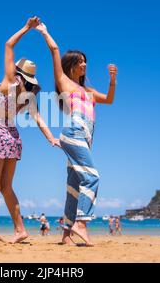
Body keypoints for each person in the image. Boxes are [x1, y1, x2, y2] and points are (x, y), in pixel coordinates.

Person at [37, 22, 117, 246]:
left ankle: (65, 236)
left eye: (85, 61)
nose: (84, 64)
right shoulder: (65, 83)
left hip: (84, 138)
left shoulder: (89, 92)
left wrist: (112, 80)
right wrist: (44, 31)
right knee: (92, 177)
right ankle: (81, 223)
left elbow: (109, 100)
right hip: (73, 133)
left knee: (73, 188)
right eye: (80, 61)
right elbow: (54, 50)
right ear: (71, 65)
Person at [0, 17, 60, 244]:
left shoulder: (8, 82)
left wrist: (27, 28)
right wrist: (51, 138)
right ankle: (20, 229)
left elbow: (8, 45)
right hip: (13, 138)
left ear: (18, 72)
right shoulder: (27, 97)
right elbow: (39, 120)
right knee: (7, 187)